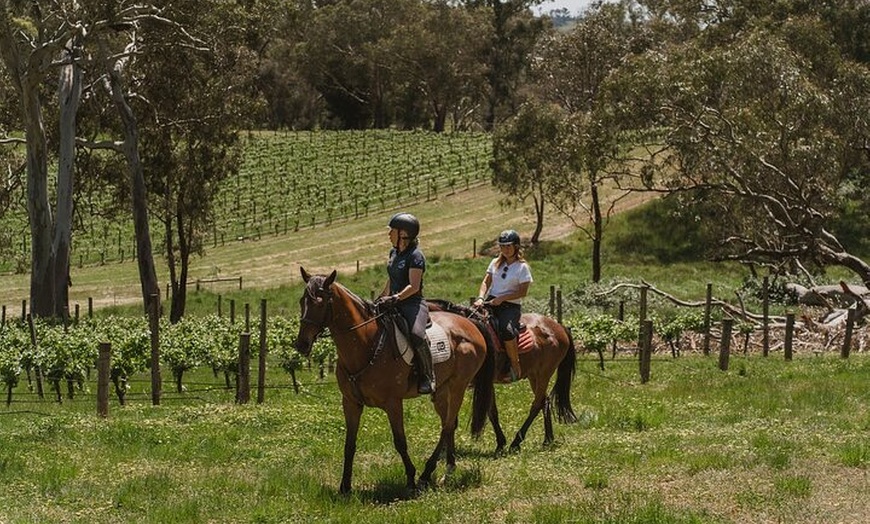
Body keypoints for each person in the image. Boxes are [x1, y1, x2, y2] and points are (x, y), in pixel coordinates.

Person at [375, 212, 435, 395]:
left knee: (416, 335)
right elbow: (391, 279)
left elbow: (414, 286)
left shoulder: (416, 256)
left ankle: (428, 376)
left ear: (403, 234)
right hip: (393, 302)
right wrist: (381, 297)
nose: (389, 234)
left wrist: (396, 297)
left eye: (392, 231)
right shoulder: (394, 252)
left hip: (412, 304)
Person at [473, 229, 533, 382]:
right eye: (502, 246)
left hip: (510, 306)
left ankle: (514, 364)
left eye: (508, 246)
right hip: (491, 302)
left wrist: (503, 298)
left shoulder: (522, 267)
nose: (505, 249)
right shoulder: (495, 263)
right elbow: (486, 282)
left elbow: (523, 292)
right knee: (473, 322)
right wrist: (480, 297)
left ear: (516, 246)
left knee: (507, 331)